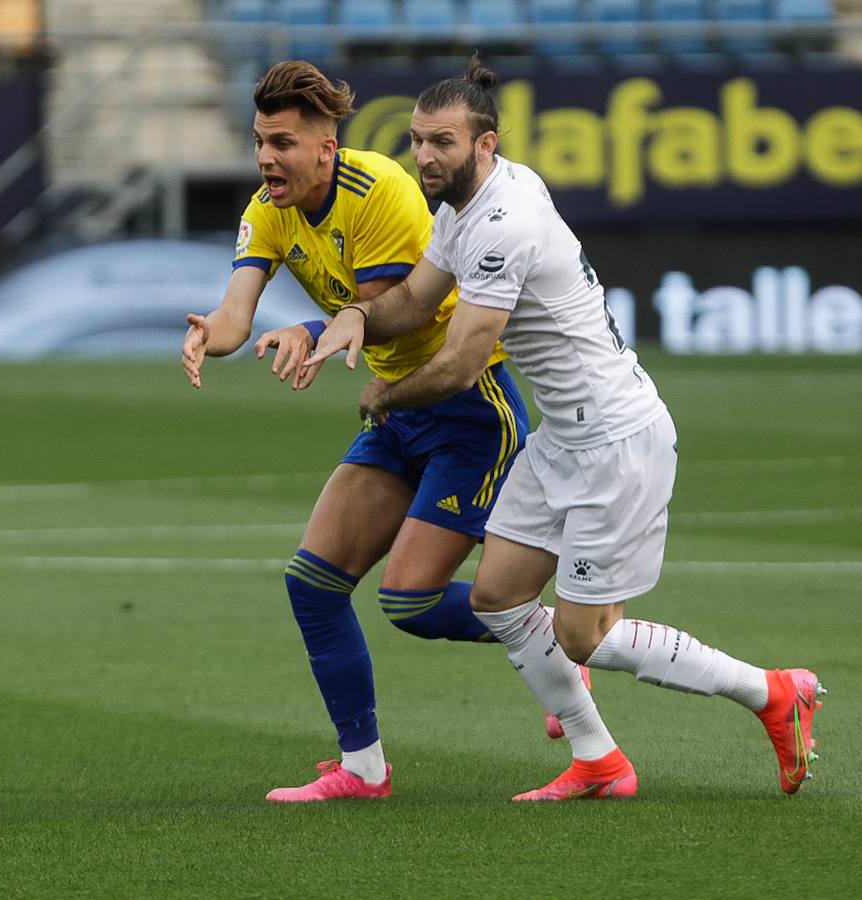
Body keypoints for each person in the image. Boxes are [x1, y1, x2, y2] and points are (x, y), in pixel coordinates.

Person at [306, 55, 824, 801]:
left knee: (587, 636)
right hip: (561, 442)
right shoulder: (469, 203)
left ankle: (772, 692)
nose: (423, 155)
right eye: (417, 139)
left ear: (484, 144)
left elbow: (459, 362)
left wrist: (385, 396)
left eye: (442, 142)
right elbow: (418, 298)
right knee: (498, 600)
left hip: (616, 440)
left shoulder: (501, 222)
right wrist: (353, 314)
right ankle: (599, 761)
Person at [181, 60, 535, 803]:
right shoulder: (268, 207)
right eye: (258, 141)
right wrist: (209, 333)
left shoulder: (377, 194)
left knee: (408, 602)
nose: (265, 158)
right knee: (312, 584)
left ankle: (558, 640)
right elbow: (237, 317)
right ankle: (364, 768)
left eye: (281, 142)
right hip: (396, 406)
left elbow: (382, 311)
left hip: (467, 405)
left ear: (325, 147)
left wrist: (309, 329)